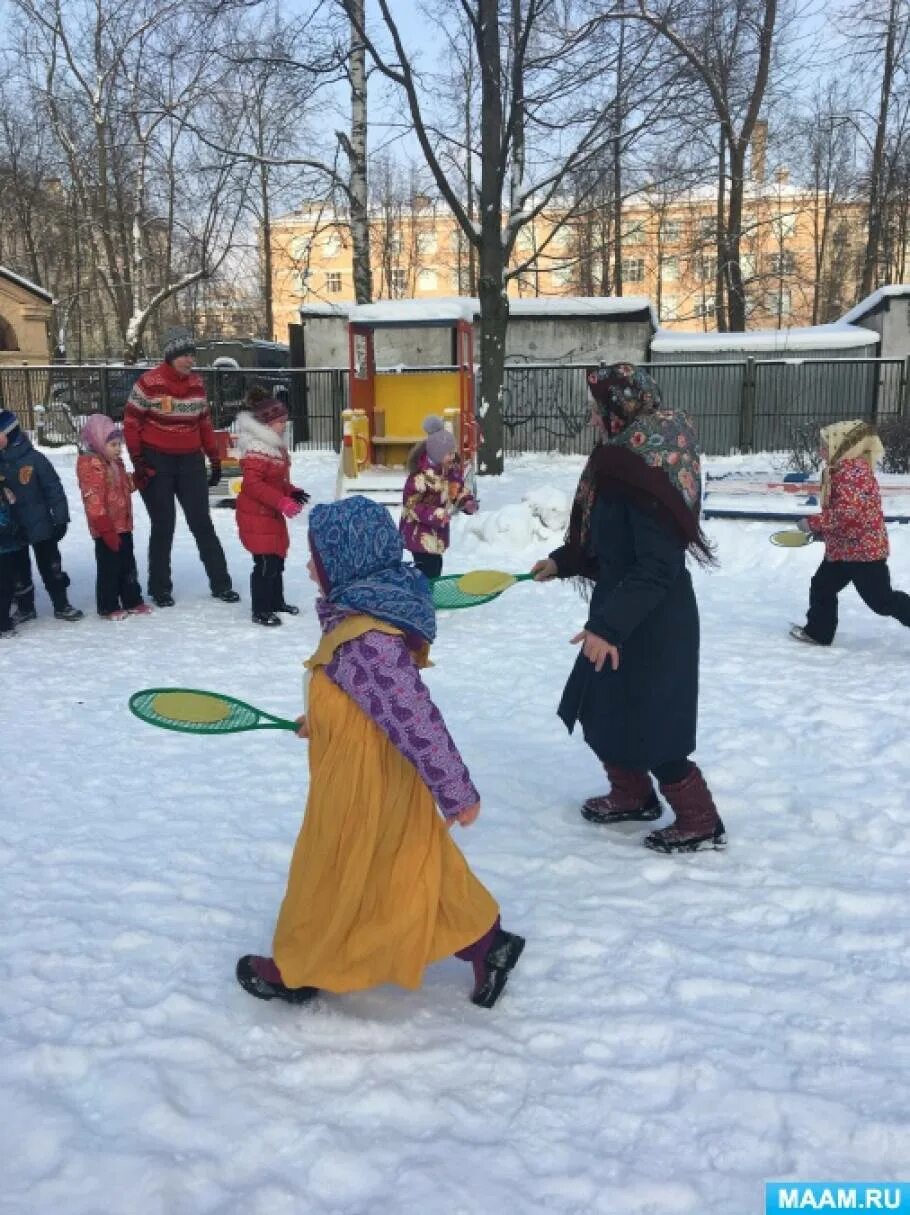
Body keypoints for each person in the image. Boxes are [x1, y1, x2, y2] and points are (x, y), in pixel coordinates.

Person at [236, 495, 524, 1009]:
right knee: (411, 862)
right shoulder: (359, 618)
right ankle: (487, 942)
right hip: (372, 778)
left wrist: (457, 793)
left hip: (361, 792)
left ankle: (296, 968)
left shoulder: (366, 635)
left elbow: (413, 716)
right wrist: (320, 720)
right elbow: (364, 696)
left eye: (316, 559)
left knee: (328, 872)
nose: (307, 568)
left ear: (345, 564)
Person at [531, 363, 726, 855]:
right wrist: (563, 561)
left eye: (598, 408)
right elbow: (610, 541)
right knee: (600, 707)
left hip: (654, 618)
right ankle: (632, 796)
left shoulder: (642, 468)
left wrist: (609, 628)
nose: (593, 418)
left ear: (618, 407)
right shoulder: (622, 459)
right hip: (620, 607)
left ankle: (699, 820)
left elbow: (657, 565)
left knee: (656, 723)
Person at [123, 337, 239, 607]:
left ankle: (221, 583)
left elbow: (204, 424)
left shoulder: (197, 384)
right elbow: (131, 422)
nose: (190, 360)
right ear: (170, 357)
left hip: (190, 461)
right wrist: (138, 459)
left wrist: (215, 458)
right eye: (184, 355)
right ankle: (159, 587)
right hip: (156, 460)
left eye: (192, 355)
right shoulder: (148, 383)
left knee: (202, 523)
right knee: (164, 525)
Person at [790, 419, 910, 646]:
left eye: (825, 446)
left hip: (864, 552)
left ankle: (819, 631)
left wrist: (814, 523)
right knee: (822, 586)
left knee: (882, 601)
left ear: (842, 447)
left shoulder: (853, 474)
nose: (821, 451)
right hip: (845, 548)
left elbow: (848, 514)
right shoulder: (842, 470)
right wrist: (825, 533)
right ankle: (818, 632)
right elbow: (845, 516)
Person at [234, 386, 309, 627]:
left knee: (276, 560)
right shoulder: (258, 450)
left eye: (285, 420)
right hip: (256, 515)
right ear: (267, 424)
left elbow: (276, 482)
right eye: (280, 421)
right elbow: (254, 486)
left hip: (269, 514)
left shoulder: (275, 447)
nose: (284, 425)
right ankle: (261, 609)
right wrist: (281, 501)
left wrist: (291, 491)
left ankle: (276, 601)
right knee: (265, 563)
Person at [0, 408, 83, 622]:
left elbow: (54, 488)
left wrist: (61, 518)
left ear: (9, 433)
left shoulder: (35, 459)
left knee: (51, 566)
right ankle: (26, 607)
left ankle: (61, 603)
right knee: (19, 571)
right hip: (12, 528)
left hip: (42, 526)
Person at [76, 414, 151, 620]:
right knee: (109, 567)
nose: (119, 449)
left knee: (128, 564)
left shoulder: (116, 463)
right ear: (99, 442)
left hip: (123, 524)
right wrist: (105, 528)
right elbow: (93, 500)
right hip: (106, 528)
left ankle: (132, 600)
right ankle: (108, 605)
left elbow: (124, 486)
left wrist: (139, 479)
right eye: (113, 444)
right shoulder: (90, 465)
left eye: (120, 444)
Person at [399, 415, 478, 579]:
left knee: (436, 566)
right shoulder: (419, 478)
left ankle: (426, 595)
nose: (452, 456)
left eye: (452, 452)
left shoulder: (450, 471)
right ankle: (422, 597)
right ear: (436, 453)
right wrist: (437, 514)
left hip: (436, 533)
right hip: (418, 533)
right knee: (427, 570)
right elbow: (412, 506)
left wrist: (467, 501)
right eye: (448, 453)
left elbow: (457, 490)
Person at [0, 471, 27, 638]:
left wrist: (16, 529)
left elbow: (13, 511)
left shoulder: (6, 491)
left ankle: (4, 620)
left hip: (8, 547)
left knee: (7, 586)